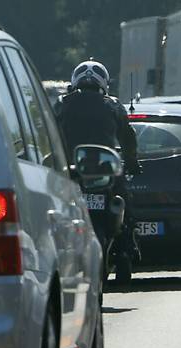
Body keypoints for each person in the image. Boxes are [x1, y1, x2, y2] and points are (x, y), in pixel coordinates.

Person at [55, 59, 141, 280]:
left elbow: (48, 134)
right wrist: (132, 162)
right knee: (126, 201)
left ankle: (124, 248)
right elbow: (128, 138)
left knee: (56, 211)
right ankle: (126, 248)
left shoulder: (62, 103)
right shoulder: (113, 105)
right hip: (106, 169)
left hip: (72, 169)